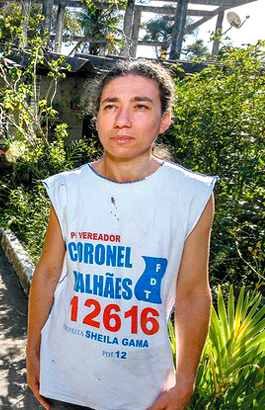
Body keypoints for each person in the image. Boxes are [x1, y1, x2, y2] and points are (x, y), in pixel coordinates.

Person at [26, 60, 216, 410]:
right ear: (96, 117)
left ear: (164, 119)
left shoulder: (192, 195)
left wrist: (184, 382)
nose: (122, 120)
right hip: (65, 380)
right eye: (110, 106)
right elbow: (48, 273)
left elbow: (190, 292)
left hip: (143, 391)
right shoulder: (67, 189)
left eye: (140, 106)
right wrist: (33, 352)